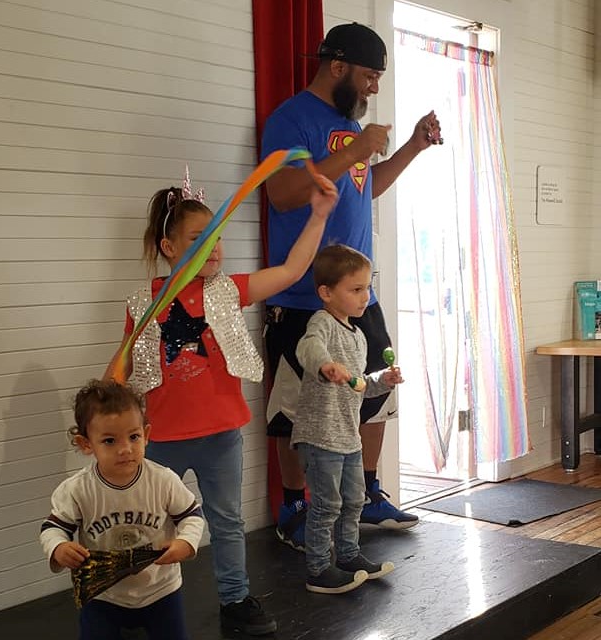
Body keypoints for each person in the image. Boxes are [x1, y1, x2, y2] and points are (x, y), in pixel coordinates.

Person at [103, 171, 338, 635]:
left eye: (216, 237)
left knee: (227, 522)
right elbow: (122, 364)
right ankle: (142, 603)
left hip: (221, 435)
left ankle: (235, 600)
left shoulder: (228, 291)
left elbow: (292, 270)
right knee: (152, 526)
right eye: (198, 238)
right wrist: (102, 412)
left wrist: (319, 214)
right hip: (161, 440)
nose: (212, 247)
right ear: (169, 247)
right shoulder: (144, 300)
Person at [262, 21, 442, 550]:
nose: (374, 88)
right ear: (336, 67)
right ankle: (294, 507)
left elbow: (367, 187)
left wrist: (410, 146)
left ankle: (366, 493)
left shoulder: (354, 131)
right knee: (295, 405)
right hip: (302, 295)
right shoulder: (292, 119)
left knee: (377, 389)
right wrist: (357, 147)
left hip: (362, 295)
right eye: (369, 75)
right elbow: (284, 193)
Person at [40, 379, 205, 640]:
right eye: (109, 440)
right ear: (86, 444)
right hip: (103, 594)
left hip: (160, 589)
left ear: (146, 435)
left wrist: (186, 542)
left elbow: (192, 516)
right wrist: (58, 548)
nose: (125, 449)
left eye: (134, 436)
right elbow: (53, 528)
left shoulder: (163, 480)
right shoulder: (77, 489)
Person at [293, 244, 404, 594]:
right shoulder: (322, 323)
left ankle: (349, 556)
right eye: (355, 289)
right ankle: (318, 569)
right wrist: (325, 365)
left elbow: (358, 386)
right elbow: (308, 349)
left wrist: (380, 382)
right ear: (326, 292)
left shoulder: (357, 335)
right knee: (327, 505)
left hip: (348, 438)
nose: (364, 296)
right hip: (320, 436)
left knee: (354, 501)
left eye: (367, 288)